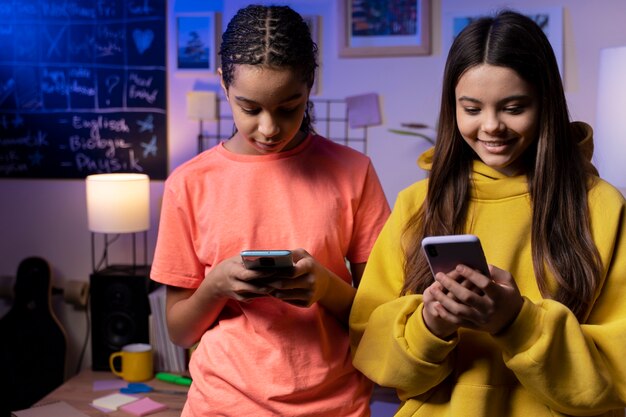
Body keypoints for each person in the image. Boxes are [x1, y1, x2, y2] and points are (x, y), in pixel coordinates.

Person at [349, 10, 626, 417]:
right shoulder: (416, 204)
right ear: (452, 107)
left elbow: (616, 376)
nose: (491, 126)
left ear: (546, 103)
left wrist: (516, 320)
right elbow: (372, 353)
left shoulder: (601, 205)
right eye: (472, 109)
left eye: (514, 107)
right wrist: (431, 324)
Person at [150, 4, 390, 417]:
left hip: (334, 406)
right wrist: (216, 287)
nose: (269, 128)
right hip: (221, 403)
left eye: (288, 107)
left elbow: (384, 320)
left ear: (310, 86)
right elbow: (179, 329)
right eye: (250, 108)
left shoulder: (353, 172)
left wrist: (327, 288)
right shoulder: (188, 184)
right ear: (224, 84)